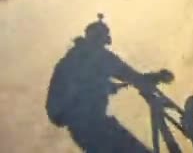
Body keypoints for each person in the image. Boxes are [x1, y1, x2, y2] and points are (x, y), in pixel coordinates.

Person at [46, 14, 172, 153]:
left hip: (80, 133)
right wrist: (157, 77)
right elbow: (130, 75)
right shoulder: (98, 55)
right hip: (99, 128)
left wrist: (106, 87)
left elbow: (82, 85)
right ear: (101, 39)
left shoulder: (70, 59)